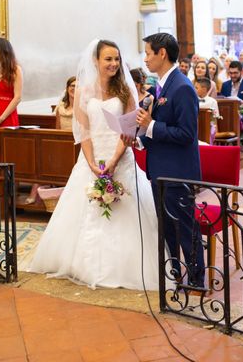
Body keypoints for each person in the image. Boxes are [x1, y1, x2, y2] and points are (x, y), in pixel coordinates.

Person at [29, 39, 160, 290]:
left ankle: (123, 267)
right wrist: (90, 162)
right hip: (91, 159)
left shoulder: (125, 90)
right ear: (95, 61)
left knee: (126, 211)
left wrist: (113, 160)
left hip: (120, 157)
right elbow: (84, 132)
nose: (113, 64)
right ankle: (80, 264)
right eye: (108, 59)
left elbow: (129, 130)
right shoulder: (84, 91)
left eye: (117, 59)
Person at [133, 32, 204, 288]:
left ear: (162, 53)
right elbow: (158, 127)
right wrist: (142, 137)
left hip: (177, 172)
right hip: (161, 169)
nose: (145, 59)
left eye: (148, 53)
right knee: (168, 228)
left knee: (185, 228)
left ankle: (197, 280)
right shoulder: (160, 87)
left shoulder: (182, 87)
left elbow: (186, 135)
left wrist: (151, 125)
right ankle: (175, 275)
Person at [195, 77, 219, 144]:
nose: (194, 89)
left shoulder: (212, 101)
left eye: (196, 88)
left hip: (208, 127)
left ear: (204, 89)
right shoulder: (192, 100)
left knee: (211, 130)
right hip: (195, 125)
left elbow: (215, 118)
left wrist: (215, 130)